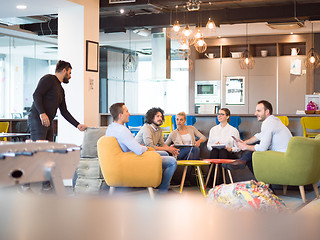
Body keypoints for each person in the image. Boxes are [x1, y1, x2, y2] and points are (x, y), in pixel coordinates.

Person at [106, 103, 177, 194]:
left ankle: (162, 185)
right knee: (171, 162)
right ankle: (163, 191)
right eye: (127, 111)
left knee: (165, 154)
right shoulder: (123, 130)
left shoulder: (111, 128)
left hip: (124, 157)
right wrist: (146, 148)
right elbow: (139, 150)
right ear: (120, 115)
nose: (129, 114)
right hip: (132, 159)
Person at [222, 100, 292, 173]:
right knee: (252, 152)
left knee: (253, 156)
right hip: (283, 155)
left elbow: (262, 148)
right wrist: (245, 142)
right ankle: (243, 161)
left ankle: (244, 163)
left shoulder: (269, 123)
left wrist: (246, 147)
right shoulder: (273, 121)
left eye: (258, 111)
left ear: (267, 111)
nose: (255, 113)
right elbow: (260, 136)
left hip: (282, 157)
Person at [28, 60, 87, 141]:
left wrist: (77, 125)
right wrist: (42, 113)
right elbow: (36, 95)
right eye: (69, 73)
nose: (70, 76)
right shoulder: (48, 79)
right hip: (38, 119)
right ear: (64, 70)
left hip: (49, 120)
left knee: (50, 148)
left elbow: (64, 111)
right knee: (40, 148)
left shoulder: (61, 90)